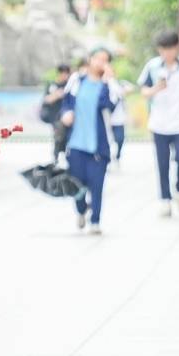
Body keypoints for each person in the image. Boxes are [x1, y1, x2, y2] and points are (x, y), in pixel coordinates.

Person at [138, 29, 179, 216]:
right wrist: (156, 89)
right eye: (163, 49)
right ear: (159, 49)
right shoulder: (152, 66)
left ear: (177, 47)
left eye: (170, 48)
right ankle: (165, 200)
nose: (167, 53)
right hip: (159, 124)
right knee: (163, 163)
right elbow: (143, 91)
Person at [61, 47, 116, 234]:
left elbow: (109, 105)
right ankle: (81, 210)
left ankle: (95, 221)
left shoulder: (109, 85)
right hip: (76, 144)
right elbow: (66, 103)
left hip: (98, 146)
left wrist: (107, 82)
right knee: (77, 184)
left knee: (97, 185)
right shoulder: (77, 80)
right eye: (97, 58)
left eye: (105, 60)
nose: (100, 62)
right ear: (90, 59)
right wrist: (66, 114)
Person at [40, 63, 70, 163]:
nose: (65, 76)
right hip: (55, 117)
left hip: (67, 116)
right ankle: (56, 158)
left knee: (66, 138)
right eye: (63, 73)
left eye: (67, 73)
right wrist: (57, 94)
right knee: (58, 138)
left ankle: (64, 157)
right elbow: (46, 99)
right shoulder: (53, 85)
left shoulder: (69, 85)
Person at [104, 65, 134, 166]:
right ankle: (107, 158)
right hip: (106, 118)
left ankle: (117, 156)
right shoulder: (102, 84)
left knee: (120, 138)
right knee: (107, 141)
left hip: (118, 117)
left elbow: (130, 88)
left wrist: (124, 91)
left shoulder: (119, 83)